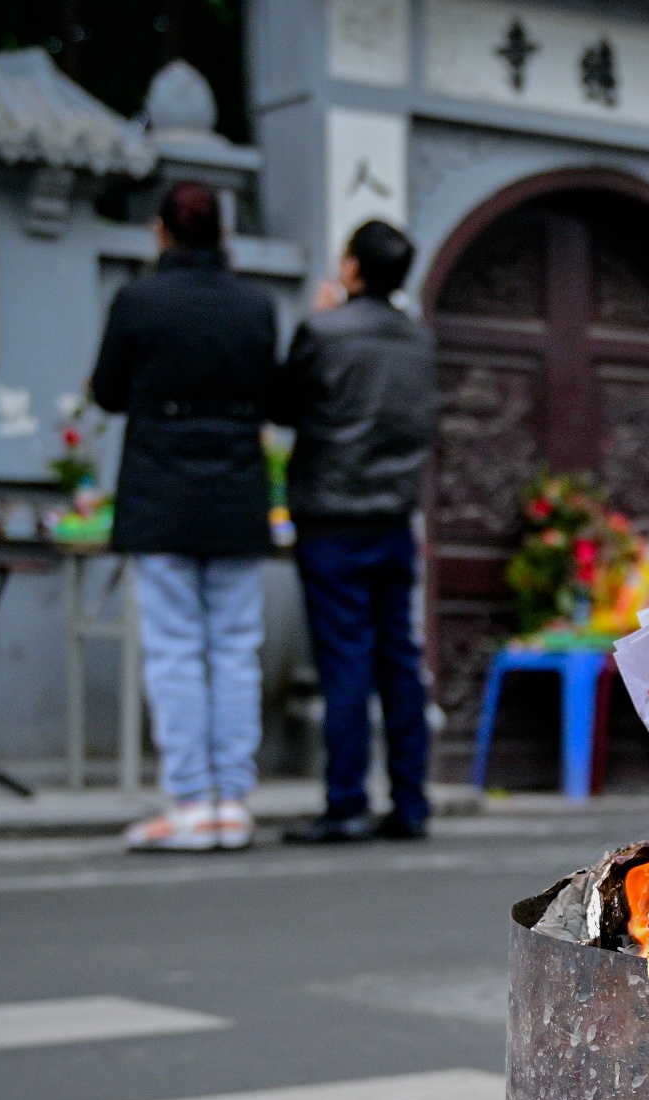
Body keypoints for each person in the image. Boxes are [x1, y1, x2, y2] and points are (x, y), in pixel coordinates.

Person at [93, 181, 279, 851]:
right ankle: (233, 802)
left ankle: (191, 802)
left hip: (160, 493)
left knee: (174, 650)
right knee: (234, 650)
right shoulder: (256, 305)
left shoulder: (138, 300)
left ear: (160, 232)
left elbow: (109, 392)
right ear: (223, 234)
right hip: (235, 494)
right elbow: (271, 394)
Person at [270, 220, 439, 844]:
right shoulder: (419, 341)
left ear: (352, 270)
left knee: (344, 660)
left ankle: (345, 802)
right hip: (393, 518)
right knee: (399, 660)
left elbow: (285, 405)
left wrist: (321, 317)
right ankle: (410, 802)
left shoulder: (323, 330)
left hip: (331, 518)